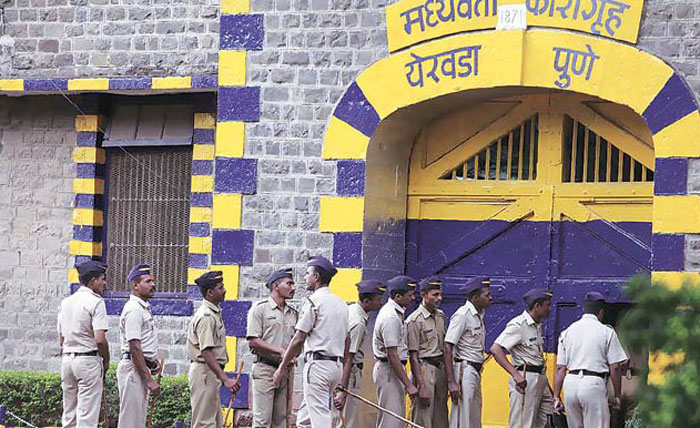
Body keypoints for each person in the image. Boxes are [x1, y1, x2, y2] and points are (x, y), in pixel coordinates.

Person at [273, 256, 350, 428]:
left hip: (318, 365)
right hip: (334, 366)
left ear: (316, 277)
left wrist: (281, 367)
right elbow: (347, 341)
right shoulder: (341, 304)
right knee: (304, 420)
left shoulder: (313, 302)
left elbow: (298, 339)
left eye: (307, 274)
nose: (305, 278)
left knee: (320, 419)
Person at [553, 292, 628, 428]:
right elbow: (615, 367)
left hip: (570, 384)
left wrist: (556, 396)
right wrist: (617, 395)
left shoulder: (567, 332)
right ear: (600, 312)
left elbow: (560, 368)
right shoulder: (606, 332)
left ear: (583, 310)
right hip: (593, 384)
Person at [490, 288, 555, 428]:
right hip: (525, 378)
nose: (550, 308)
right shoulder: (519, 325)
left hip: (540, 377)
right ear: (537, 306)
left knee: (544, 420)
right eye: (547, 305)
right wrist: (515, 374)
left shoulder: (537, 325)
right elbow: (496, 349)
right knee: (522, 422)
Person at [58, 260, 110, 428]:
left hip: (67, 359)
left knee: (69, 414)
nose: (104, 282)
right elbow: (100, 339)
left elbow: (61, 338)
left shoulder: (67, 302)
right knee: (87, 417)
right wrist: (106, 360)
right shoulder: (96, 302)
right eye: (102, 278)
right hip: (87, 359)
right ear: (93, 280)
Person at [187, 271, 240, 428]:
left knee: (215, 422)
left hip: (210, 373)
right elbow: (206, 352)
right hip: (205, 372)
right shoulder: (207, 317)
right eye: (220, 287)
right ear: (210, 292)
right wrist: (225, 379)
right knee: (204, 423)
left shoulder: (213, 313)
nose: (224, 291)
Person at [247, 268, 298, 428]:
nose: (293, 288)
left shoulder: (292, 313)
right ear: (276, 286)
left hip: (285, 371)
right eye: (289, 283)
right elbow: (253, 341)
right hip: (265, 369)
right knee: (262, 422)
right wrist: (280, 351)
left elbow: (296, 341)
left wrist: (292, 355)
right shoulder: (260, 309)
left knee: (282, 421)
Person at [333, 279, 387, 427]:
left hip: (341, 370)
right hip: (349, 374)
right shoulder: (358, 323)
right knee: (348, 420)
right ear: (367, 301)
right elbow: (348, 358)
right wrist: (342, 389)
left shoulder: (351, 310)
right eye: (378, 299)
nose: (381, 302)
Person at [117, 264, 162, 428]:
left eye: (153, 281)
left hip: (140, 368)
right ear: (135, 285)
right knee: (131, 422)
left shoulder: (142, 308)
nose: (153, 285)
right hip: (133, 370)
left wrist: (152, 362)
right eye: (147, 281)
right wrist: (149, 380)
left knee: (138, 421)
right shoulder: (134, 310)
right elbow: (134, 347)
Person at [444, 277, 492, 428]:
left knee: (473, 416)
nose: (491, 298)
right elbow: (447, 346)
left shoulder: (479, 315)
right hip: (464, 370)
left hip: (475, 370)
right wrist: (452, 382)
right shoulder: (462, 315)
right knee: (462, 417)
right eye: (487, 295)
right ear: (475, 297)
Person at [372, 275, 419, 428]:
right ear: (398, 297)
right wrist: (409, 384)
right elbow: (392, 355)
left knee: (396, 420)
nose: (413, 298)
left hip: (394, 370)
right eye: (409, 295)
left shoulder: (397, 312)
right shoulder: (390, 317)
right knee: (390, 421)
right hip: (389, 371)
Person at [406, 276, 448, 428]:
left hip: (440, 369)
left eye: (440, 294)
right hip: (424, 370)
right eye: (435, 295)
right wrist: (421, 385)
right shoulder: (414, 320)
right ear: (424, 295)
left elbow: (444, 349)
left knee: (441, 417)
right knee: (423, 417)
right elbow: (413, 356)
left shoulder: (441, 316)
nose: (439, 298)